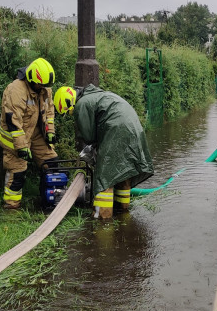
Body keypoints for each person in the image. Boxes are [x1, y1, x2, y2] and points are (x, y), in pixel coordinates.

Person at [54, 84, 154, 218]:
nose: (71, 114)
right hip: (133, 127)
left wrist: (91, 153)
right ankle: (122, 212)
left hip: (116, 129)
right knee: (123, 172)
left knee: (104, 177)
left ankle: (103, 220)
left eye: (69, 112)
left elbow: (89, 136)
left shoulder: (81, 104)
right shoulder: (97, 95)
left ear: (68, 103)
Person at [0, 57, 58, 210]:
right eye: (41, 84)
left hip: (36, 134)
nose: (43, 87)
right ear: (31, 78)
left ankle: (48, 199)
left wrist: (50, 131)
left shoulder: (45, 88)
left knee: (51, 164)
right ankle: (11, 207)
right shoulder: (16, 90)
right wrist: (21, 146)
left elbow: (49, 111)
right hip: (15, 137)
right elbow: (13, 120)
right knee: (18, 173)